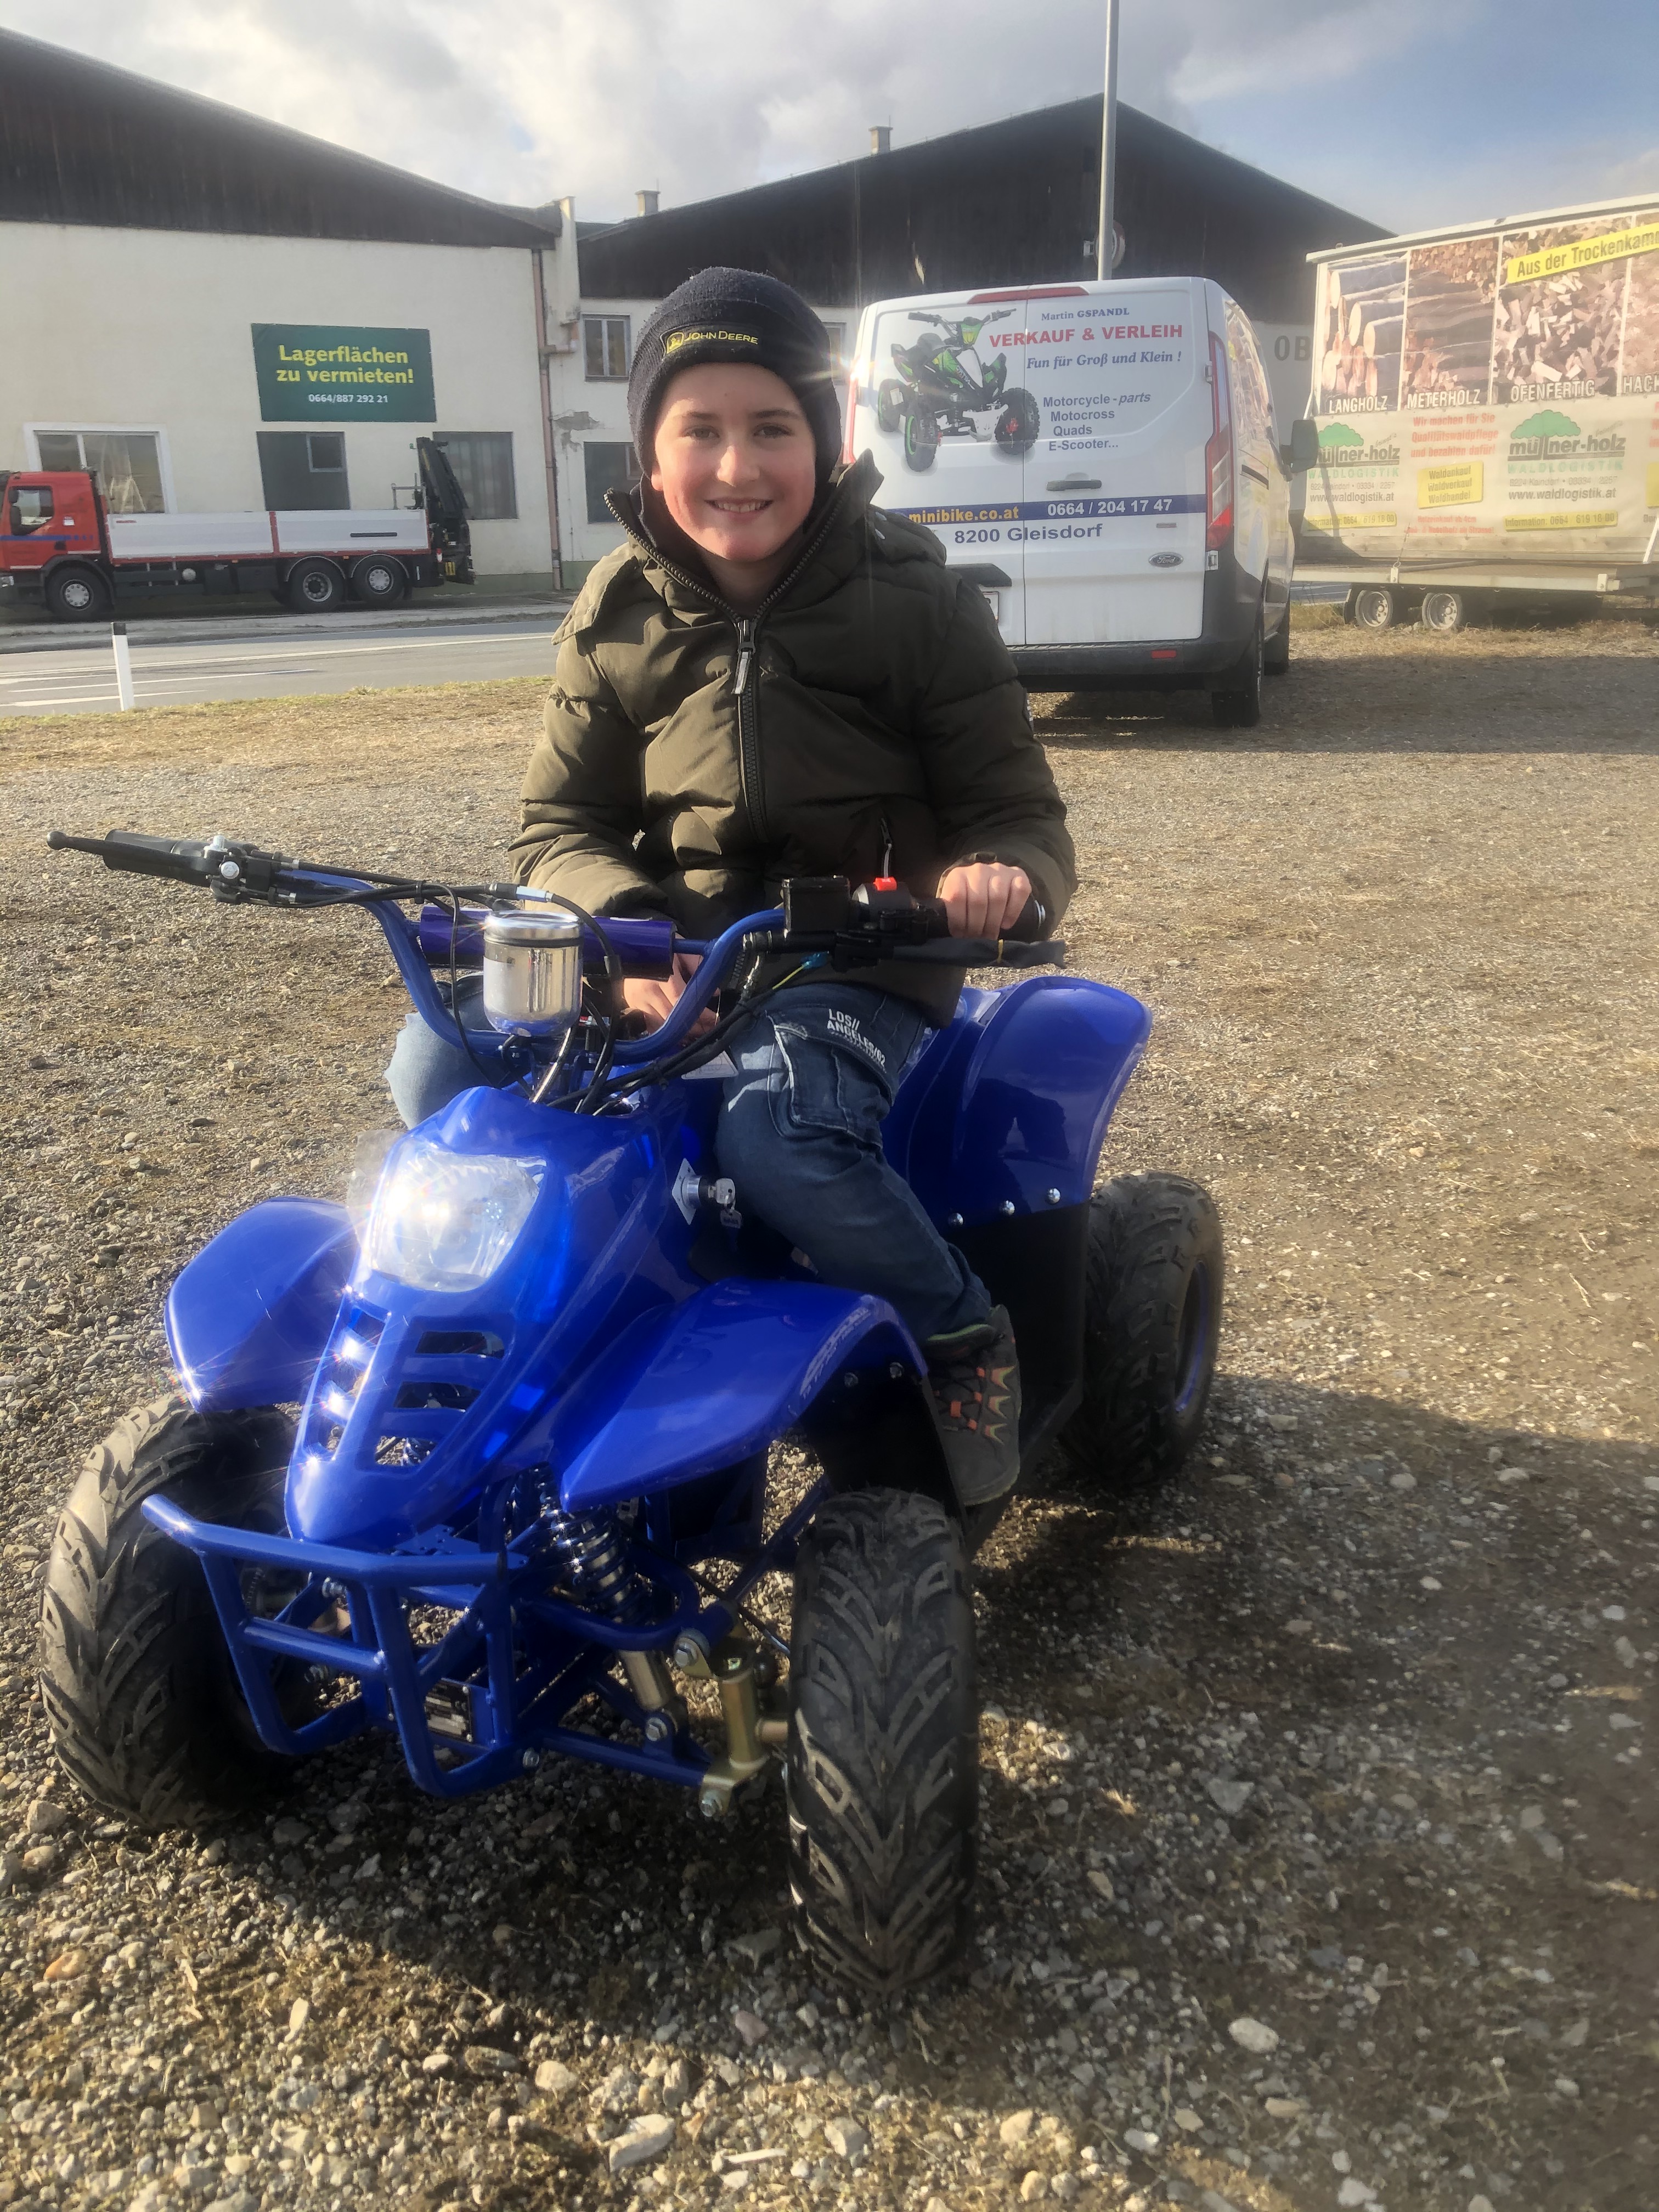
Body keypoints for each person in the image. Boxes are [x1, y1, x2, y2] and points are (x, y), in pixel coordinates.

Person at [387, 267, 1074, 1504]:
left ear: (824, 441)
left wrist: (999, 877)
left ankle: (963, 1332)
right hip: (662, 954)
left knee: (783, 1137)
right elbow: (560, 825)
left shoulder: (917, 598)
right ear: (651, 456)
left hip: (850, 957)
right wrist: (626, 939)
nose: (737, 466)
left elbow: (1018, 813)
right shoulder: (616, 608)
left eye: (772, 427)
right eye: (698, 430)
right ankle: (529, 1320)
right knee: (436, 1066)